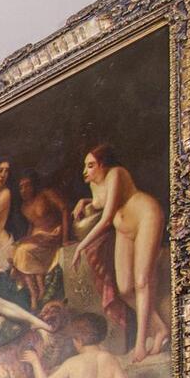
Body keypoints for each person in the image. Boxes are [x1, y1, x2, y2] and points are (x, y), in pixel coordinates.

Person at [73, 144, 167, 362]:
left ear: (104, 165)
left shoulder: (116, 173)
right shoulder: (95, 184)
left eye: (91, 166)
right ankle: (160, 328)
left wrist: (81, 245)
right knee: (124, 288)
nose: (85, 171)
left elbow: (106, 219)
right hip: (124, 229)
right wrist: (83, 201)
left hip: (145, 216)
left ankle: (141, 343)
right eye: (85, 166)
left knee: (141, 281)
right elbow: (99, 202)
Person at [11, 172, 69, 303]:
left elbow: (64, 209)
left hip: (52, 235)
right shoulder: (24, 207)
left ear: (34, 185)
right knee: (15, 250)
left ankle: (40, 290)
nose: (24, 190)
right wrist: (26, 239)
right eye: (21, 187)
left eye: (27, 185)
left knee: (22, 251)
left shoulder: (46, 194)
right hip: (37, 238)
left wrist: (65, 239)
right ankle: (34, 292)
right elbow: (32, 225)